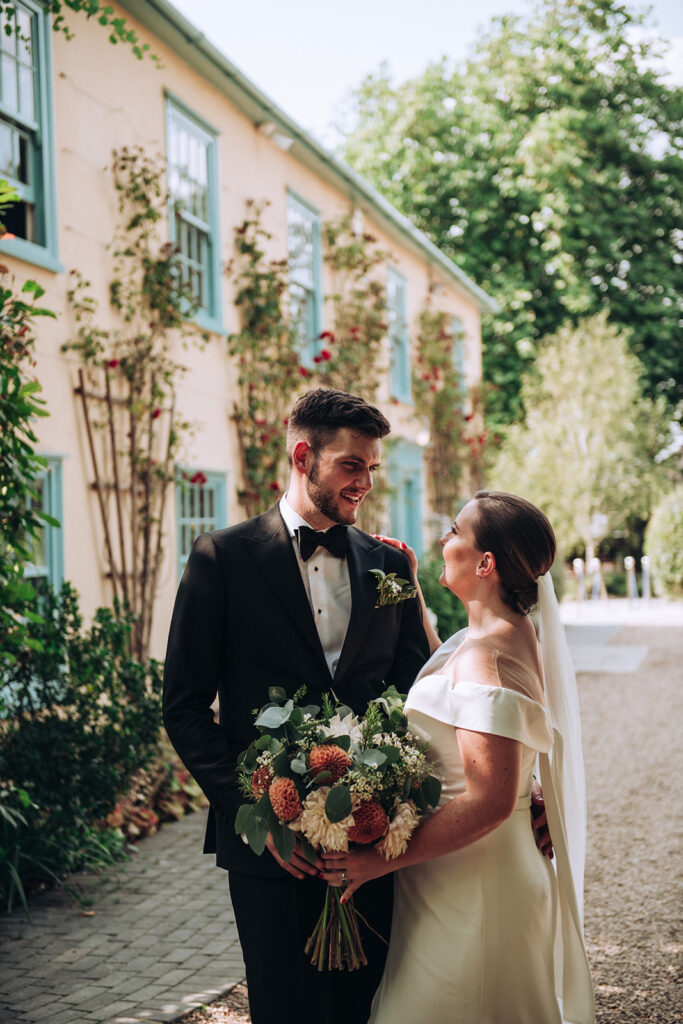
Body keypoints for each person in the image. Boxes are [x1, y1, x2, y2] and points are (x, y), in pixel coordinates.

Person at [162, 388, 431, 1024]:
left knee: (367, 1007)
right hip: (269, 849)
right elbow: (184, 706)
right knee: (284, 1008)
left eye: (372, 467)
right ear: (303, 455)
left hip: (373, 844)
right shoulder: (220, 559)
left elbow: (421, 695)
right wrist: (258, 810)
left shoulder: (390, 564)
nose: (365, 481)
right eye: (351, 465)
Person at [321, 491, 595, 1024]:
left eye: (455, 532)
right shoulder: (502, 634)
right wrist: (415, 585)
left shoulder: (485, 658)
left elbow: (490, 800)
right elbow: (444, 669)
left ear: (485, 562)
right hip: (463, 871)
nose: (445, 539)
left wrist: (374, 863)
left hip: (475, 884)